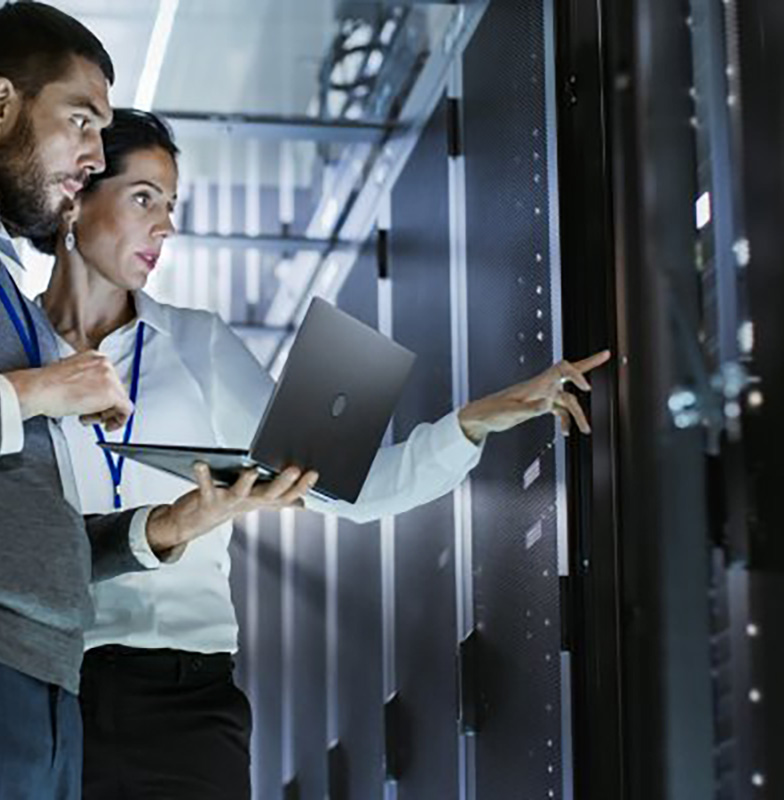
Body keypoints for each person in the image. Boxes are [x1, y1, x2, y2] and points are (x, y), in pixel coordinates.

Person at [35, 107, 610, 799]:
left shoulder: (199, 344)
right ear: (78, 197)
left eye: (173, 205)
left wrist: (472, 423)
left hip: (184, 697)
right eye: (144, 198)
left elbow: (350, 489)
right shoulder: (17, 355)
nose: (166, 226)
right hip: (49, 686)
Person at [0, 5, 315, 798]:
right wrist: (43, 389)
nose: (87, 155)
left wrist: (165, 528)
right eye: (79, 121)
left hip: (48, 675)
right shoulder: (35, 342)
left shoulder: (10, 293)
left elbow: (35, 525)